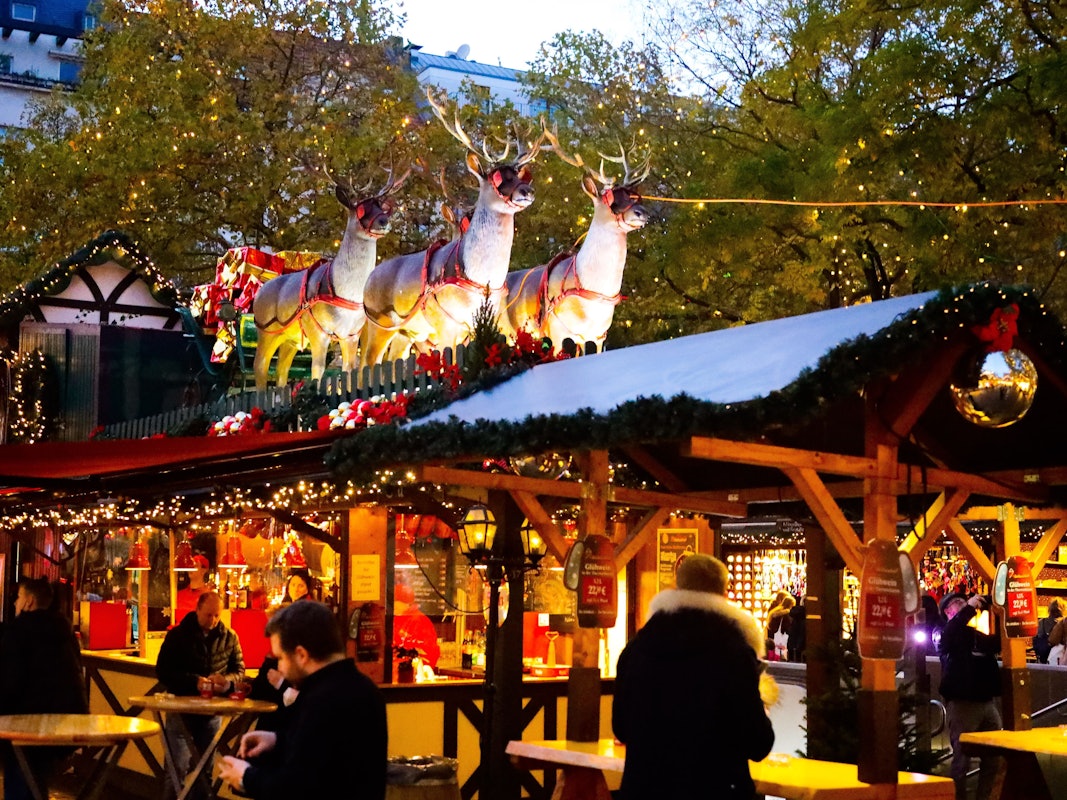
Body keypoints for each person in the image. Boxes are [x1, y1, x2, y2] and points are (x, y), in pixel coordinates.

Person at [612, 554, 775, 800]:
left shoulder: (636, 649)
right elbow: (757, 742)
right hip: (714, 790)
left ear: (677, 586)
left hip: (644, 789)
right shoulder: (734, 652)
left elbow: (621, 729)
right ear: (724, 593)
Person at [217, 600, 387, 799]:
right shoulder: (365, 689)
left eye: (280, 658)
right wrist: (278, 740)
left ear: (301, 655)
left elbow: (298, 786)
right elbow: (328, 754)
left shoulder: (321, 700)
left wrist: (246, 777)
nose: (279, 667)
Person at [0, 577, 88, 800]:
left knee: (20, 775)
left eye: (18, 597)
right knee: (36, 777)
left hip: (24, 723)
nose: (14, 603)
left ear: (29, 601)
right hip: (65, 722)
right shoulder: (65, 632)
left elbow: (10, 682)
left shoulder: (17, 632)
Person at [156, 591, 245, 800]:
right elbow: (164, 671)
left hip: (212, 712)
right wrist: (194, 681)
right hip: (180, 710)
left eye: (217, 615)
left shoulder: (230, 637)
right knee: (176, 770)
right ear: (197, 610)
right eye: (208, 615)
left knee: (205, 771)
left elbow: (240, 670)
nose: (213, 620)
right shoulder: (178, 636)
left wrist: (225, 681)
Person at [938, 592, 1002, 800]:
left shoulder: (975, 633)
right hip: (963, 703)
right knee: (961, 761)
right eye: (958, 603)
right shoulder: (945, 632)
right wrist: (969, 609)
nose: (964, 604)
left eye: (965, 602)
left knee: (993, 759)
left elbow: (997, 645)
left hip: (986, 701)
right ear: (948, 612)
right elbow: (949, 636)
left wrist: (999, 614)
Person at [174, 555, 212, 623]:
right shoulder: (179, 595)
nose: (191, 568)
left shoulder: (209, 596)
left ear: (203, 570)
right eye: (190, 566)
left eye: (195, 565)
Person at [766, 594, 794, 661]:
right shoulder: (787, 615)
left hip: (772, 639)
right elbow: (787, 628)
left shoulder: (774, 612)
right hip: (781, 638)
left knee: (773, 655)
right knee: (781, 656)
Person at [1035, 598, 1062, 664]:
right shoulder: (1062, 624)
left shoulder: (1041, 622)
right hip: (1058, 660)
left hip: (1043, 657)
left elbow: (1037, 638)